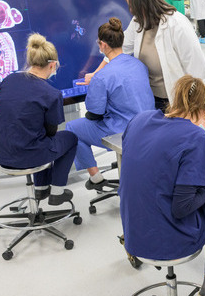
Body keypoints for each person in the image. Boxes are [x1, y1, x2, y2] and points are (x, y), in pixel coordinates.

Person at [119, 75, 205, 296]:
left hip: (134, 231)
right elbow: (182, 207)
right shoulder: (195, 137)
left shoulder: (140, 119)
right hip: (165, 241)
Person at [65, 18, 154, 191]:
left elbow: (93, 113)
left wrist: (96, 87)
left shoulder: (102, 76)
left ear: (103, 45)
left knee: (72, 128)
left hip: (123, 132)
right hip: (148, 126)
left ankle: (96, 179)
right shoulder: (139, 64)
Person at [0, 34, 77, 205]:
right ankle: (57, 192)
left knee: (35, 135)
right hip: (27, 155)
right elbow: (51, 132)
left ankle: (41, 188)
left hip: (0, 152)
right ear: (52, 65)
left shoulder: (8, 80)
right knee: (70, 139)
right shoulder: (52, 94)